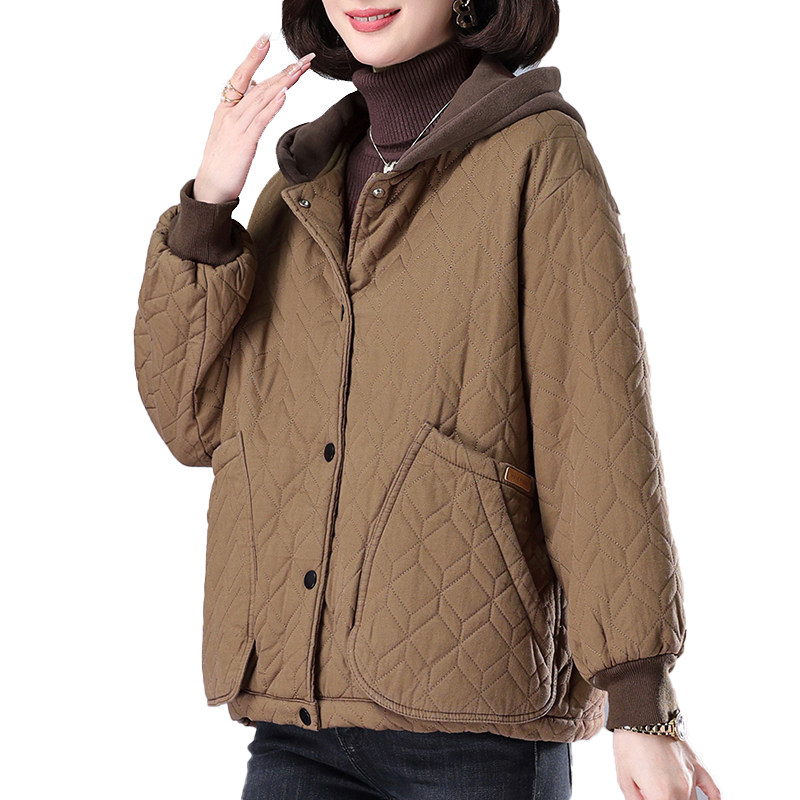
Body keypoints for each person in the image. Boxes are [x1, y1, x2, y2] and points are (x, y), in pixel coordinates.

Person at [133, 2, 723, 798]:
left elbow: (596, 435)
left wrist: (641, 707)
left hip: (475, 731)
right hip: (294, 727)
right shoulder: (294, 192)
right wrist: (209, 204)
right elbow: (192, 422)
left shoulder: (539, 160)